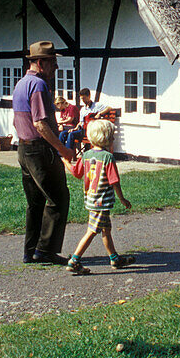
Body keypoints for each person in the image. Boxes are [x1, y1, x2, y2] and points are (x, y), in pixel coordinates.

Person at [11, 41, 75, 265]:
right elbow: (40, 124)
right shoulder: (38, 85)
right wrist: (62, 149)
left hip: (24, 149)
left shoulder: (20, 84)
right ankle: (45, 250)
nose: (56, 67)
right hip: (40, 150)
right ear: (40, 63)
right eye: (53, 62)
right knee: (59, 198)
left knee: (35, 202)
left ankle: (30, 251)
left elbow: (17, 119)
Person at [64, 118, 135, 275]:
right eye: (112, 136)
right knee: (92, 231)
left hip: (92, 200)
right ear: (105, 138)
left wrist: (66, 162)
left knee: (106, 230)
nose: (114, 139)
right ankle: (74, 261)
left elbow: (76, 173)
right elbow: (114, 181)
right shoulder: (108, 157)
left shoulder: (86, 155)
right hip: (102, 202)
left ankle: (114, 259)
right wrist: (122, 199)